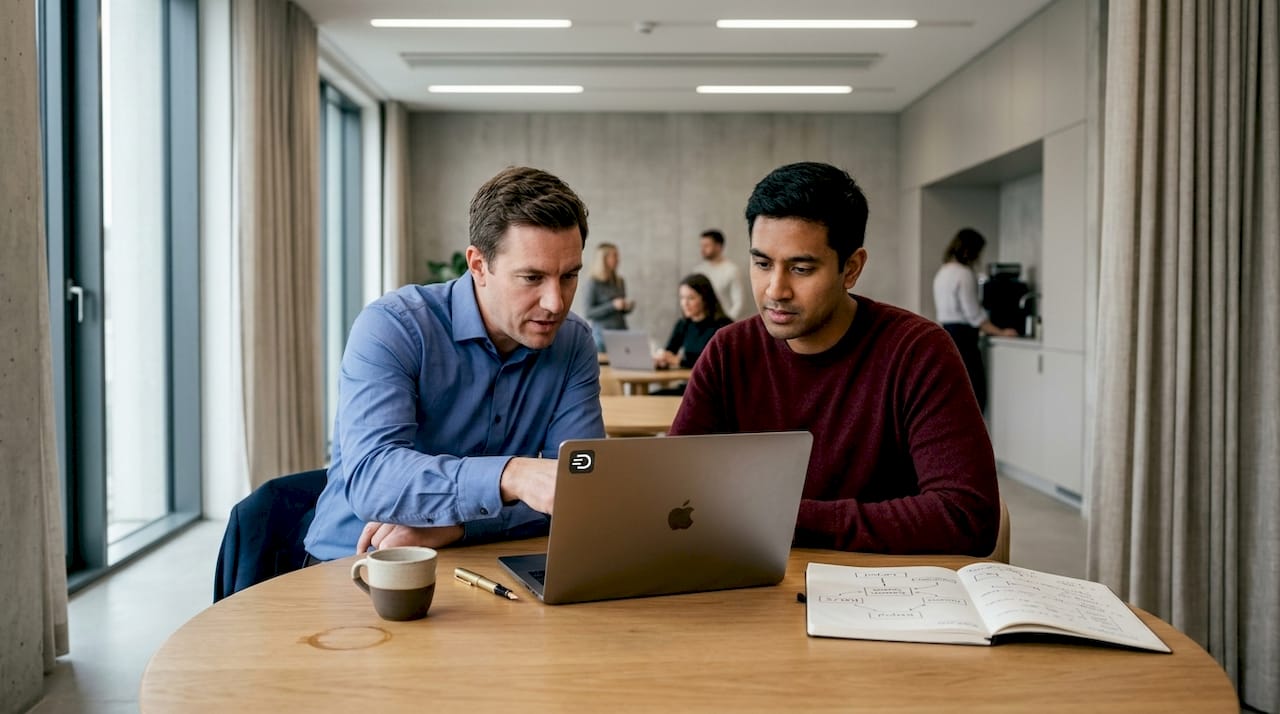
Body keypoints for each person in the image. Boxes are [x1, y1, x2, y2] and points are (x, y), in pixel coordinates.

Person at [668, 162, 999, 556]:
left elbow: (967, 516)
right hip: (754, 576)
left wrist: (783, 518)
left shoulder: (918, 351)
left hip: (879, 584)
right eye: (762, 264)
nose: (775, 290)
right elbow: (674, 489)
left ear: (851, 269)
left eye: (801, 268)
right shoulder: (728, 350)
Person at [304, 166, 605, 561]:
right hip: (357, 562)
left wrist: (460, 526)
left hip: (488, 558)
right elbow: (373, 479)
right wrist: (512, 475)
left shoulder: (573, 343)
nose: (555, 302)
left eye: (569, 276)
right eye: (532, 278)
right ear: (478, 266)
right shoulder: (393, 327)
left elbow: (579, 490)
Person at [932, 228, 1019, 413]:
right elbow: (974, 315)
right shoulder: (964, 273)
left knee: (955, 395)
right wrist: (1002, 332)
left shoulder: (943, 272)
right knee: (975, 395)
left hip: (947, 336)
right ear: (969, 250)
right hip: (965, 341)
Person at [654, 273, 732, 370]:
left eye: (691, 298)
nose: (685, 303)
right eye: (682, 297)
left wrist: (679, 361)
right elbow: (670, 352)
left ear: (704, 299)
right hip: (689, 378)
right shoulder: (683, 324)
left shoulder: (723, 326)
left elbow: (718, 362)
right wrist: (662, 359)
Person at [584, 242, 634, 352]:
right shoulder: (593, 283)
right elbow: (588, 312)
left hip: (622, 333)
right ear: (604, 259)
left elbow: (620, 311)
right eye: (615, 256)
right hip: (602, 337)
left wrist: (627, 307)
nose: (618, 259)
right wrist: (613, 305)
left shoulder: (620, 281)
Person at [693, 229, 747, 320]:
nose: (702, 249)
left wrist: (727, 322)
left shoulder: (731, 270)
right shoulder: (698, 271)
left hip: (722, 322)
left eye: (706, 246)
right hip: (702, 323)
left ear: (718, 247)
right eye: (701, 246)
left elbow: (739, 302)